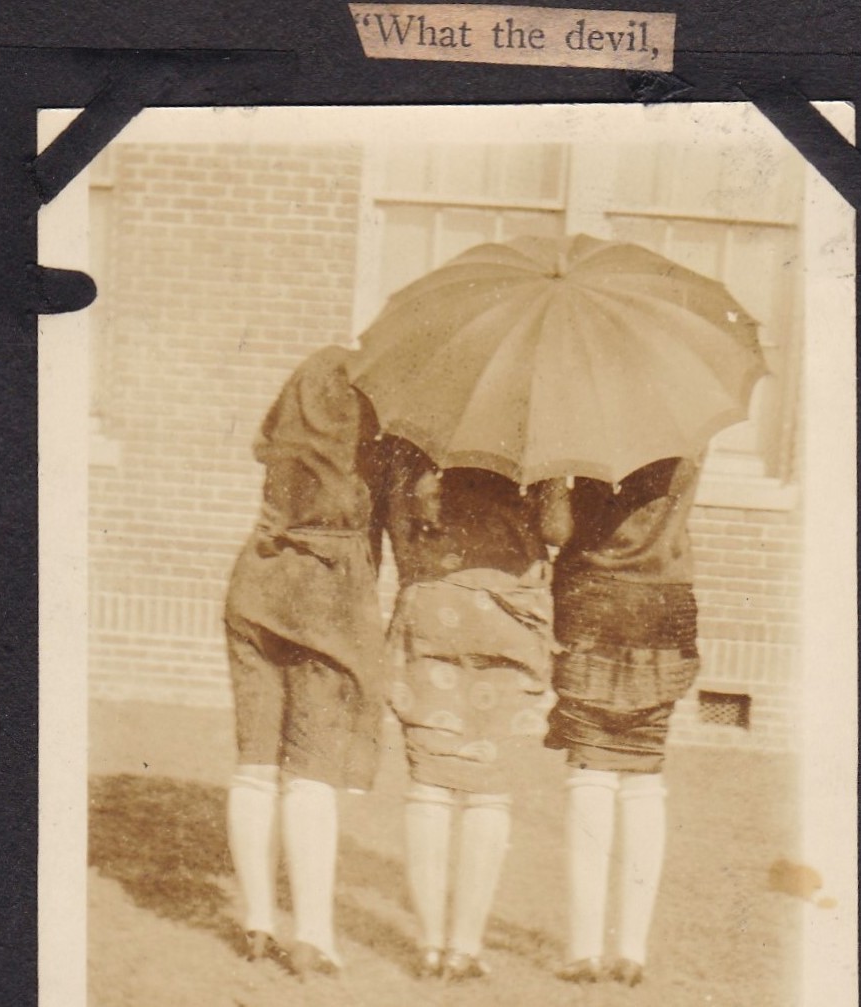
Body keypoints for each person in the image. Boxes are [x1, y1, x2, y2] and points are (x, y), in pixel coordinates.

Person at [223, 345, 385, 980]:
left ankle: (258, 922)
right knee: (311, 772)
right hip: (328, 597)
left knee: (256, 765)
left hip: (259, 579)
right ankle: (313, 934)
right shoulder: (376, 444)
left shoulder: (284, 439)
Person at [376, 436, 556, 981]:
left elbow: (400, 518)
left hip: (435, 602)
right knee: (488, 790)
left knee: (429, 783)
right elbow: (557, 530)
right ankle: (464, 948)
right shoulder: (540, 423)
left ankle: (430, 945)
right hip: (510, 614)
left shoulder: (421, 428)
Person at [541, 456, 704, 987]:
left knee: (589, 770)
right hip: (662, 605)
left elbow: (554, 529)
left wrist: (550, 482)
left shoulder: (584, 428)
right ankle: (631, 952)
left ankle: (585, 949)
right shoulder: (685, 427)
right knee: (643, 774)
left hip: (593, 601)